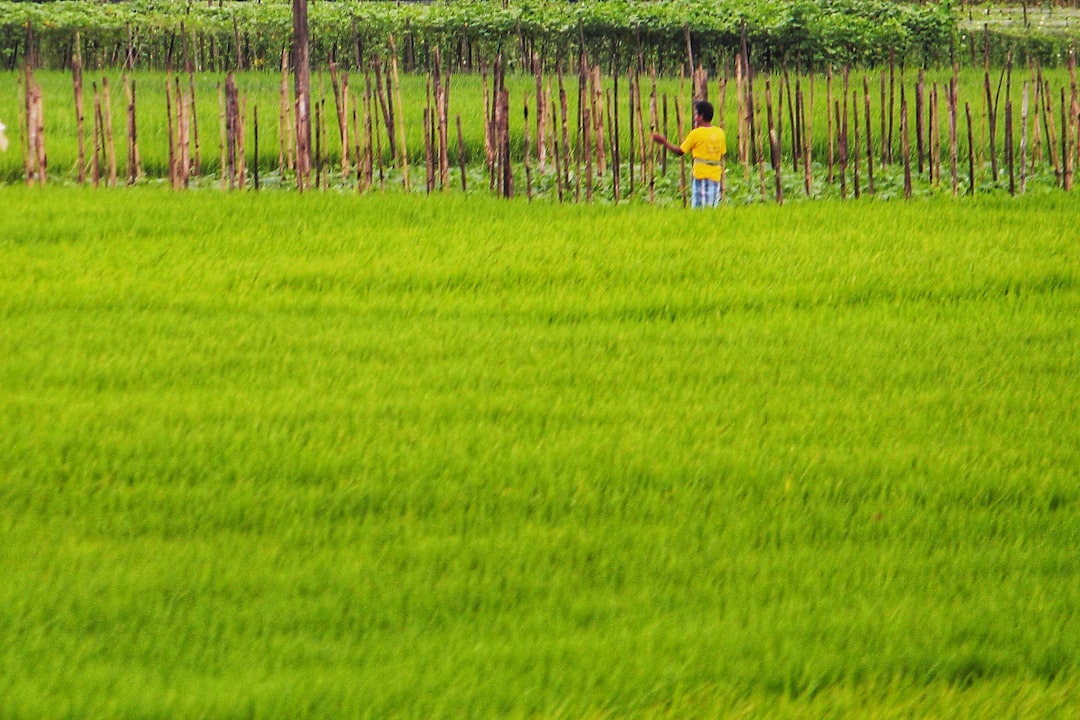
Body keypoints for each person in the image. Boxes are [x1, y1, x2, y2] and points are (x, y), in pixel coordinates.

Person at [651, 100, 726, 208]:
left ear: (701, 116)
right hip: (715, 175)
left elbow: (680, 151)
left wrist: (664, 142)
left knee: (698, 208)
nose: (695, 117)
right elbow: (722, 153)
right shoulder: (720, 133)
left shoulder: (696, 134)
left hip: (700, 175)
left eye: (696, 114)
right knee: (711, 207)